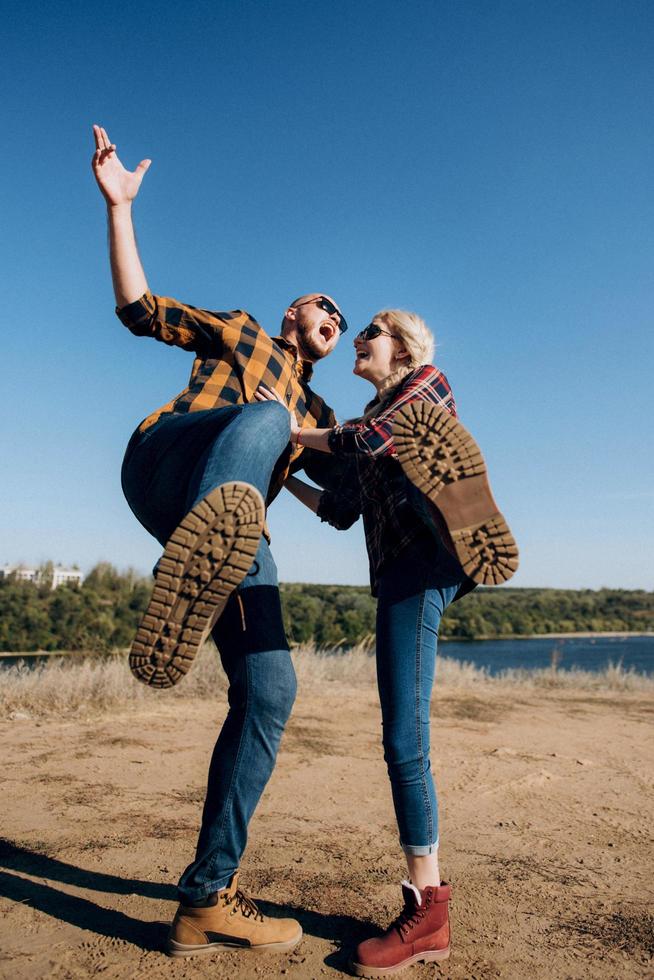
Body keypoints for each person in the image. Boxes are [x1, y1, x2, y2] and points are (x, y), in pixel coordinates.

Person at [91, 124, 348, 957]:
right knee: (269, 416)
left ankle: (205, 897)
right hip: (169, 467)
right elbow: (141, 311)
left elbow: (339, 506)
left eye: (344, 321)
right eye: (324, 306)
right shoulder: (244, 333)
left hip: (238, 532)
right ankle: (211, 538)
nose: (335, 319)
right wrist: (120, 208)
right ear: (291, 314)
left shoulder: (325, 420)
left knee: (272, 692)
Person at [256, 309, 518, 976]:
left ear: (401, 345)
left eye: (371, 329)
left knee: (406, 741)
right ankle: (427, 904)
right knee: (403, 736)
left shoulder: (424, 386)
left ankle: (429, 911)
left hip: (425, 564)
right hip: (398, 573)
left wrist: (293, 429)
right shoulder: (370, 421)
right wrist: (284, 474)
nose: (360, 338)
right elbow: (341, 510)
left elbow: (369, 437)